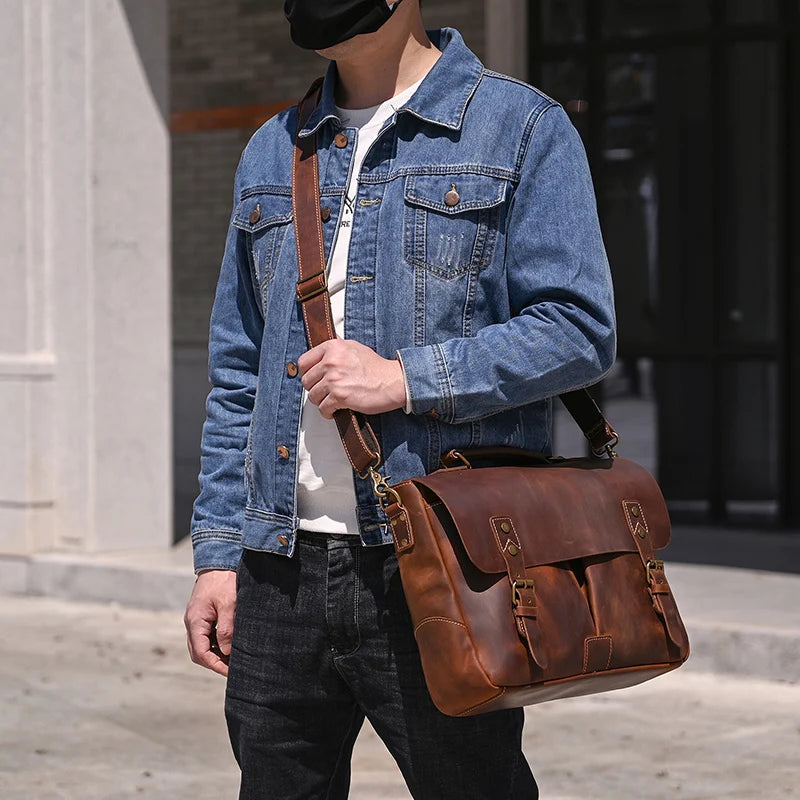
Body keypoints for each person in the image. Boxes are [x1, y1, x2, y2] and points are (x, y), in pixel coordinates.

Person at [184, 1, 616, 797]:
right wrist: (217, 551)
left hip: (442, 563)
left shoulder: (519, 127)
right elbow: (239, 369)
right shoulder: (273, 148)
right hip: (279, 569)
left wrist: (406, 377)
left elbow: (577, 330)